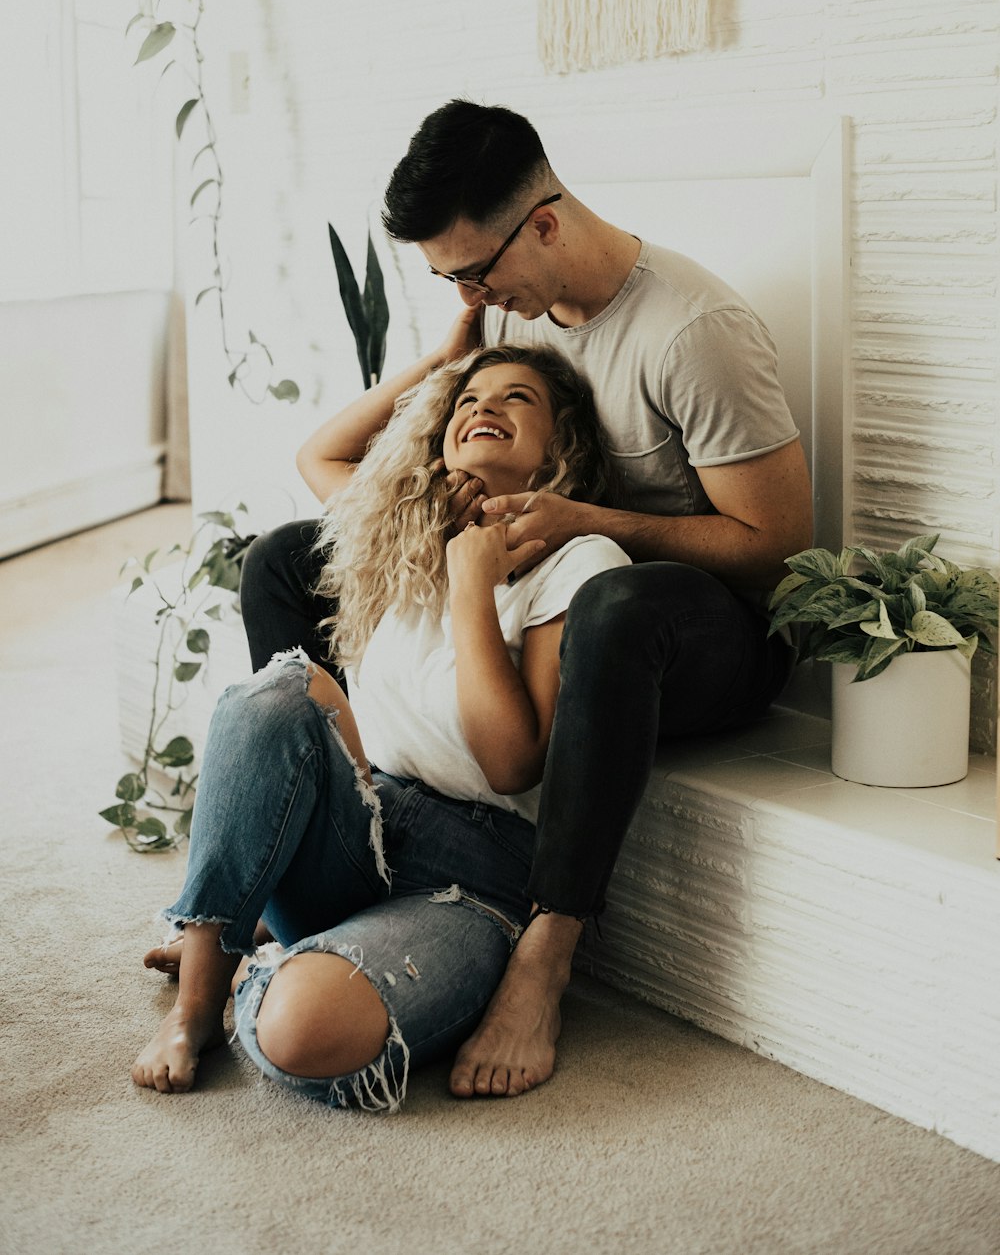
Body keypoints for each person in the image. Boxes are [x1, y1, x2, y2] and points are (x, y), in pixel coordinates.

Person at [241, 100, 815, 1100]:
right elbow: (352, 468)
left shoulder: (694, 329)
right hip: (551, 589)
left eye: (473, 269)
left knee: (615, 607)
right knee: (288, 557)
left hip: (698, 626)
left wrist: (584, 520)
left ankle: (547, 949)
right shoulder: (506, 309)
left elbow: (778, 551)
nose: (469, 292)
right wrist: (452, 349)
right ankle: (336, 819)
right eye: (447, 277)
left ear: (542, 222)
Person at [132, 345, 628, 1105]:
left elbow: (510, 765)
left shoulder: (581, 561)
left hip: (474, 879)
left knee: (304, 1033)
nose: (482, 406)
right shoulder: (403, 535)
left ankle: (271, 953)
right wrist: (443, 359)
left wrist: (473, 587)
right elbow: (320, 454)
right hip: (360, 826)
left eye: (516, 398)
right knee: (278, 692)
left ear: (560, 448)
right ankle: (198, 1004)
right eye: (466, 401)